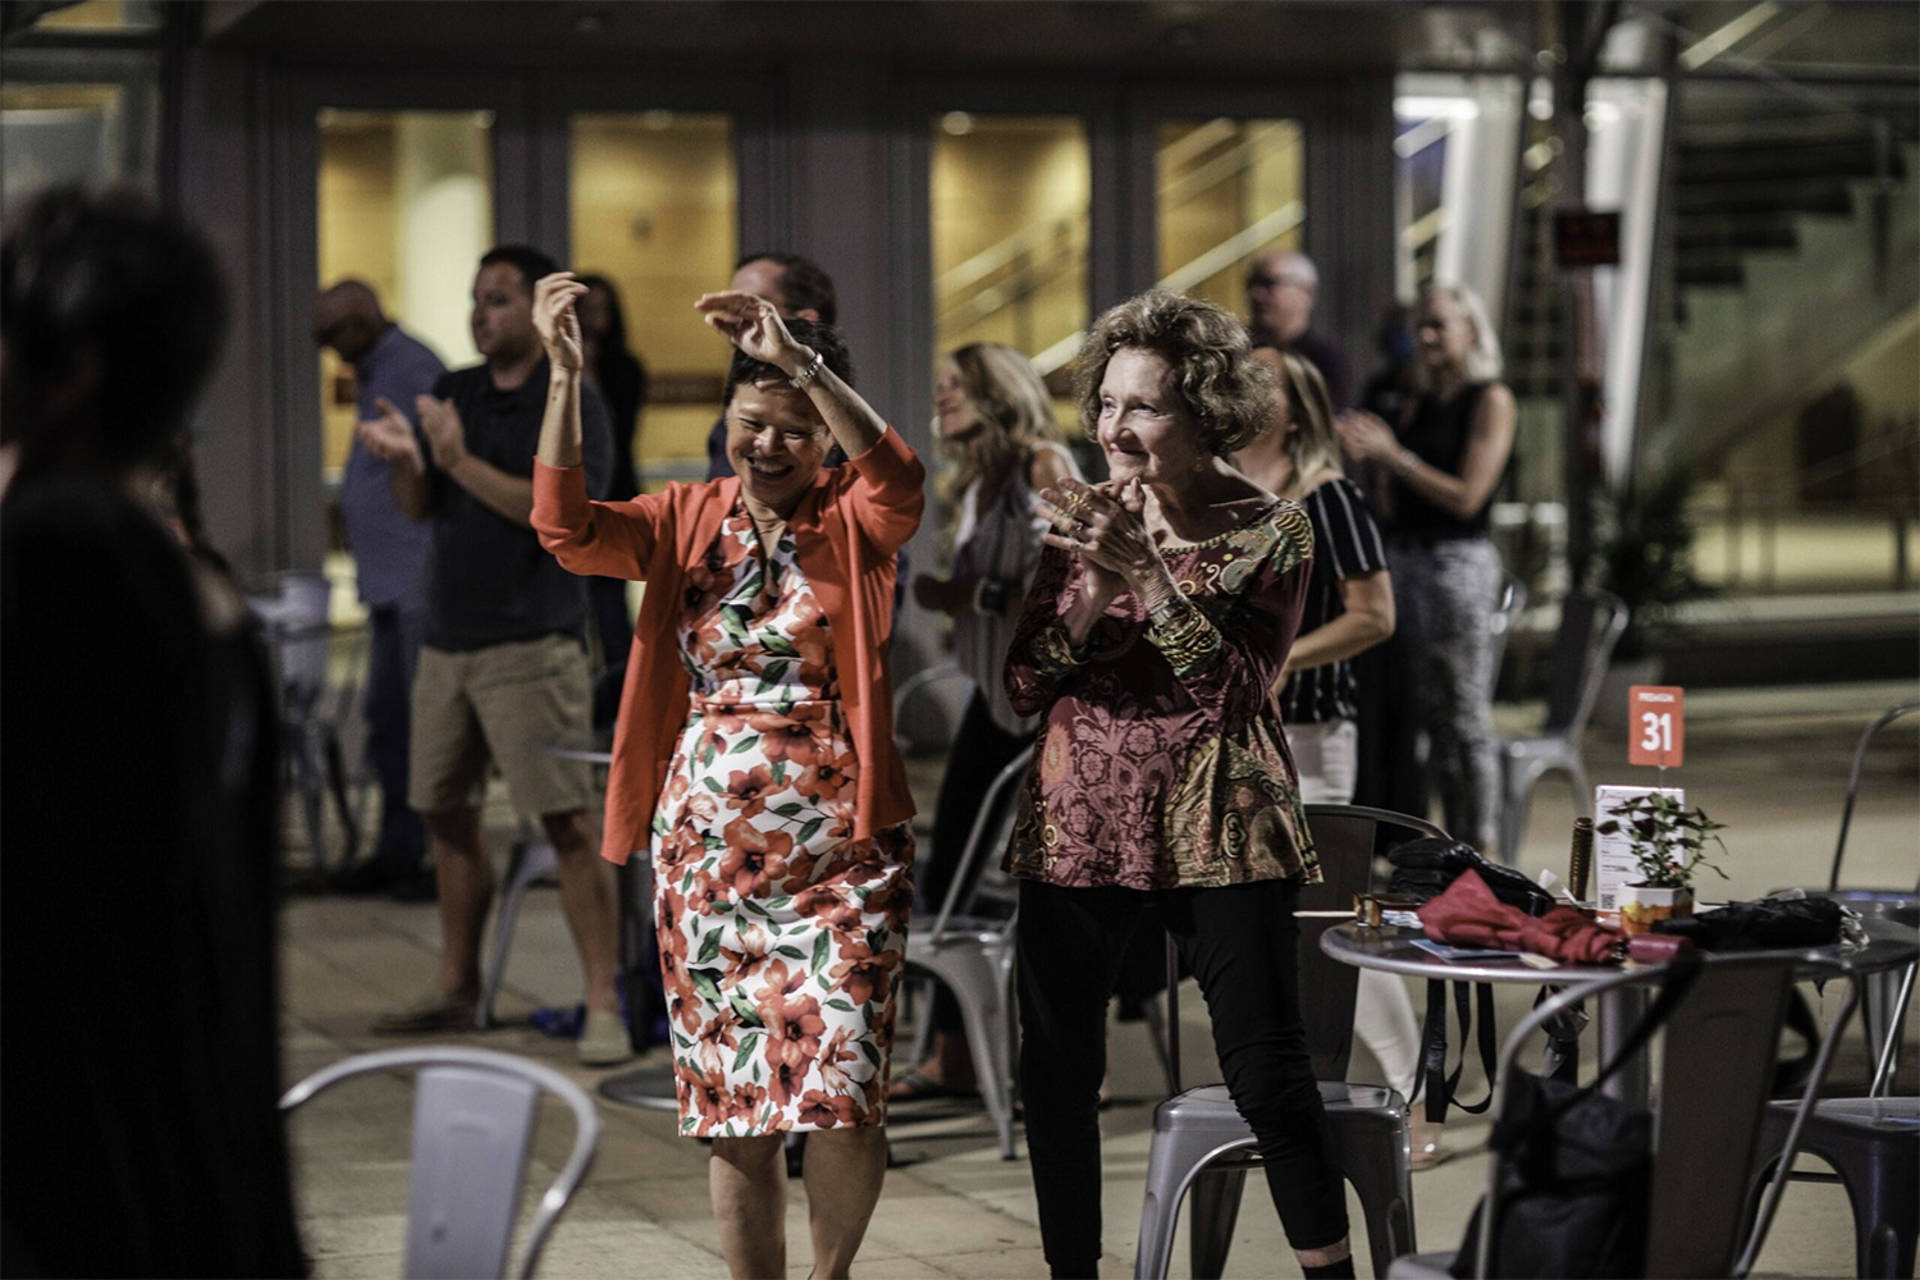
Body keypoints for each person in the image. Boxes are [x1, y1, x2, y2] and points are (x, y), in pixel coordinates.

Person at [530, 276, 923, 1280]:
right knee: (738, 1105)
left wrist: (805, 367)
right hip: (710, 853)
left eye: (796, 428)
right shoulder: (682, 516)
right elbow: (566, 525)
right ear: (724, 421)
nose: (772, 445)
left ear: (824, 438)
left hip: (845, 849)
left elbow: (902, 479)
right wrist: (568, 377)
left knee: (843, 1081)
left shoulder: (852, 517)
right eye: (754, 422)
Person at [1004, 289, 1355, 1280]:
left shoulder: (1274, 527)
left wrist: (1148, 576)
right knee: (1059, 1076)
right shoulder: (1081, 517)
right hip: (1077, 827)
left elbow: (1238, 691)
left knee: (1266, 1072)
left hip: (1221, 823)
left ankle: (1330, 1269)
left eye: (1145, 407)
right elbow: (1025, 682)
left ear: (1204, 413)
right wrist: (1095, 592)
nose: (1116, 427)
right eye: (1108, 403)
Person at [0, 184, 306, 1276]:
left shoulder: (61, 554)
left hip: (76, 1185)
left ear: (68, 367)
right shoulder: (181, 580)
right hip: (176, 1174)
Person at [355, 244, 629, 1066]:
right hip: (448, 638)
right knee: (443, 811)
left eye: (500, 300)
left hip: (530, 642)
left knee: (566, 824)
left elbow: (562, 514)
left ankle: (603, 1000)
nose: (482, 314)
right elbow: (422, 508)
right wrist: (410, 463)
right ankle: (455, 983)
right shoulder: (455, 391)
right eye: (476, 299)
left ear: (542, 311)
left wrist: (457, 460)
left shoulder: (571, 397)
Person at [1233, 346, 1446, 1168]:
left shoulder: (1329, 499)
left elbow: (1377, 616)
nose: (1244, 393)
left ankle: (1415, 1095)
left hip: (1314, 734)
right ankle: (1316, 1096)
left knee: (1328, 917)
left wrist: (1287, 661)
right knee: (1278, 929)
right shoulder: (1227, 499)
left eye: (1264, 384)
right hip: (1244, 735)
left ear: (1295, 411)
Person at [894, 342, 1077, 1102]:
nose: (942, 398)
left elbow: (1074, 585)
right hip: (993, 697)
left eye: (955, 386)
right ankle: (952, 1054)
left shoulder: (1044, 464)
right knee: (954, 877)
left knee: (1045, 889)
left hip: (1045, 709)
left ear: (997, 392)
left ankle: (1067, 1063)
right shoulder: (975, 480)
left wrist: (971, 598)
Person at [1338, 282, 1516, 856]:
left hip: (1455, 561)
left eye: (1440, 324)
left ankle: (1482, 847)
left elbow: (1468, 497)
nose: (1428, 336)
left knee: (1461, 716)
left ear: (1471, 330)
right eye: (1421, 325)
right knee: (1408, 710)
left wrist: (1396, 457)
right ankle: (1432, 848)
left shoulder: (1489, 399)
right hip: (1403, 558)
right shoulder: (1408, 395)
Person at [312, 278, 446, 897]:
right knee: (387, 719)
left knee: (417, 723)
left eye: (328, 336)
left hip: (416, 580)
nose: (328, 351)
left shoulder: (409, 367)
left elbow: (431, 465)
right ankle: (396, 848)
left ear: (359, 323)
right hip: (392, 583)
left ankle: (424, 855)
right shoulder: (379, 369)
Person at [576, 273, 649, 724]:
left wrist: (586, 374)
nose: (592, 320)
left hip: (613, 501)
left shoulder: (626, 369)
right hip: (567, 502)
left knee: (609, 611)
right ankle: (581, 704)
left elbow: (615, 435)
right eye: (584, 310)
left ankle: (621, 703)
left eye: (599, 309)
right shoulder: (553, 368)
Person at [705, 251, 837, 480]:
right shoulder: (728, 420)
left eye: (747, 307)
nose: (729, 321)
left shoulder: (840, 419)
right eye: (752, 424)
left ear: (805, 320)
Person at [1245, 248, 1353, 411]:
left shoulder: (1324, 361)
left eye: (1269, 284)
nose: (1256, 294)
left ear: (1306, 292)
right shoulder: (1238, 351)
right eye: (1251, 284)